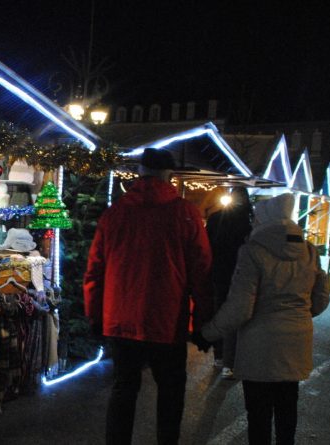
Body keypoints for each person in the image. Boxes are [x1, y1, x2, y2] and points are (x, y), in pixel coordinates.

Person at [83, 148, 213, 445]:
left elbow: (95, 270)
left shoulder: (115, 213)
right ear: (169, 175)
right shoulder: (185, 214)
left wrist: (94, 315)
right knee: (170, 392)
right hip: (167, 320)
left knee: (124, 389)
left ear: (140, 172)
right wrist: (203, 319)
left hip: (121, 319)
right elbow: (201, 272)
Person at [195, 193, 330, 445]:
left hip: (259, 345)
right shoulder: (309, 251)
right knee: (287, 410)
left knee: (259, 416)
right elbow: (321, 298)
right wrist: (299, 316)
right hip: (296, 343)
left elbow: (240, 307)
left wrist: (207, 333)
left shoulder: (253, 252)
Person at [205, 186, 253, 379]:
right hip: (238, 274)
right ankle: (228, 361)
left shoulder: (217, 219)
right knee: (234, 316)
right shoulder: (250, 222)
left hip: (220, 273)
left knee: (220, 314)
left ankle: (221, 357)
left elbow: (207, 246)